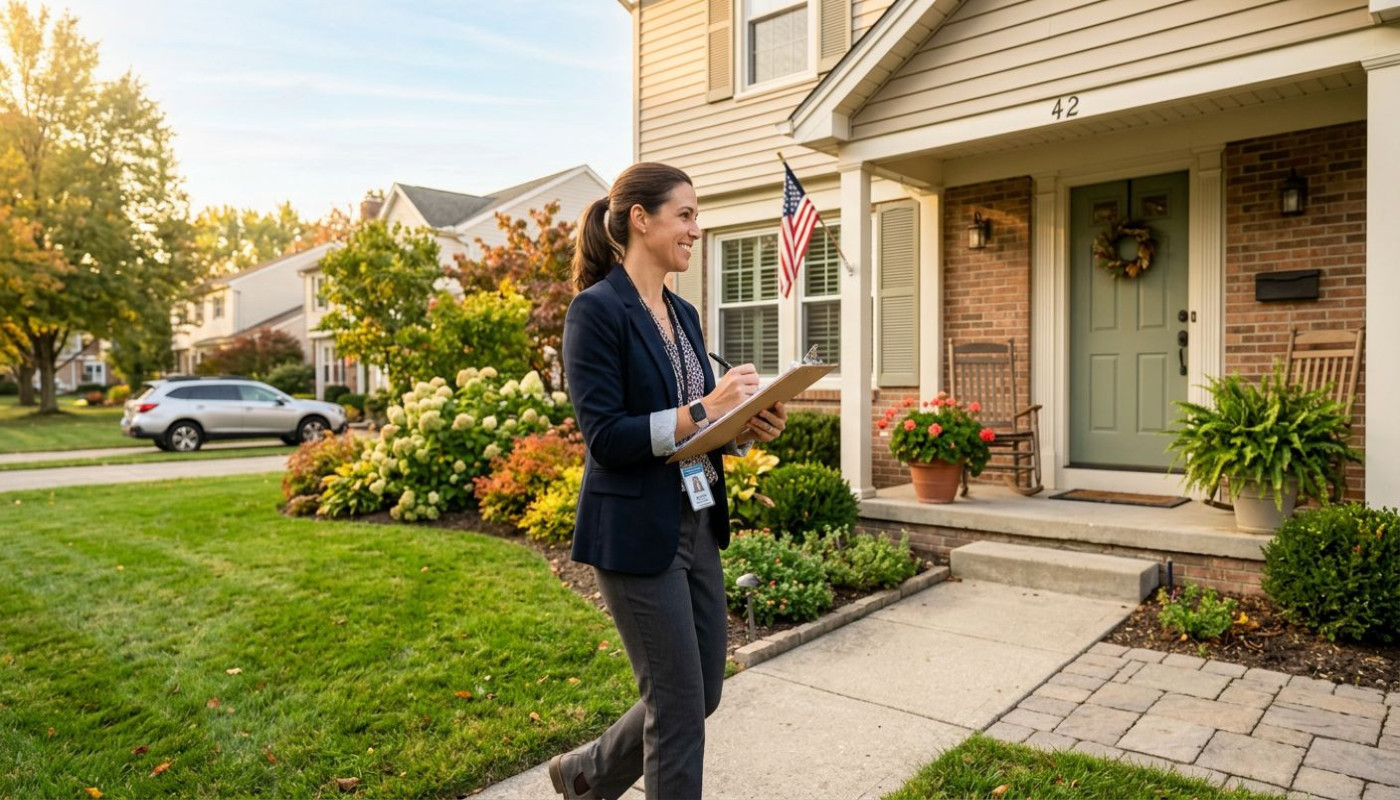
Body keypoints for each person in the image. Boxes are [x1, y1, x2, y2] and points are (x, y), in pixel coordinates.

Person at [550, 162, 787, 800]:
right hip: (633, 530)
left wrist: (742, 427)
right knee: (678, 706)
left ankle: (586, 775)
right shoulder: (595, 312)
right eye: (685, 214)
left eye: (695, 215)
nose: (695, 228)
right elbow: (607, 437)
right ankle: (590, 777)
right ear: (640, 219)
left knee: (702, 689)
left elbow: (692, 427)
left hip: (696, 520)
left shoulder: (682, 313)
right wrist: (709, 406)